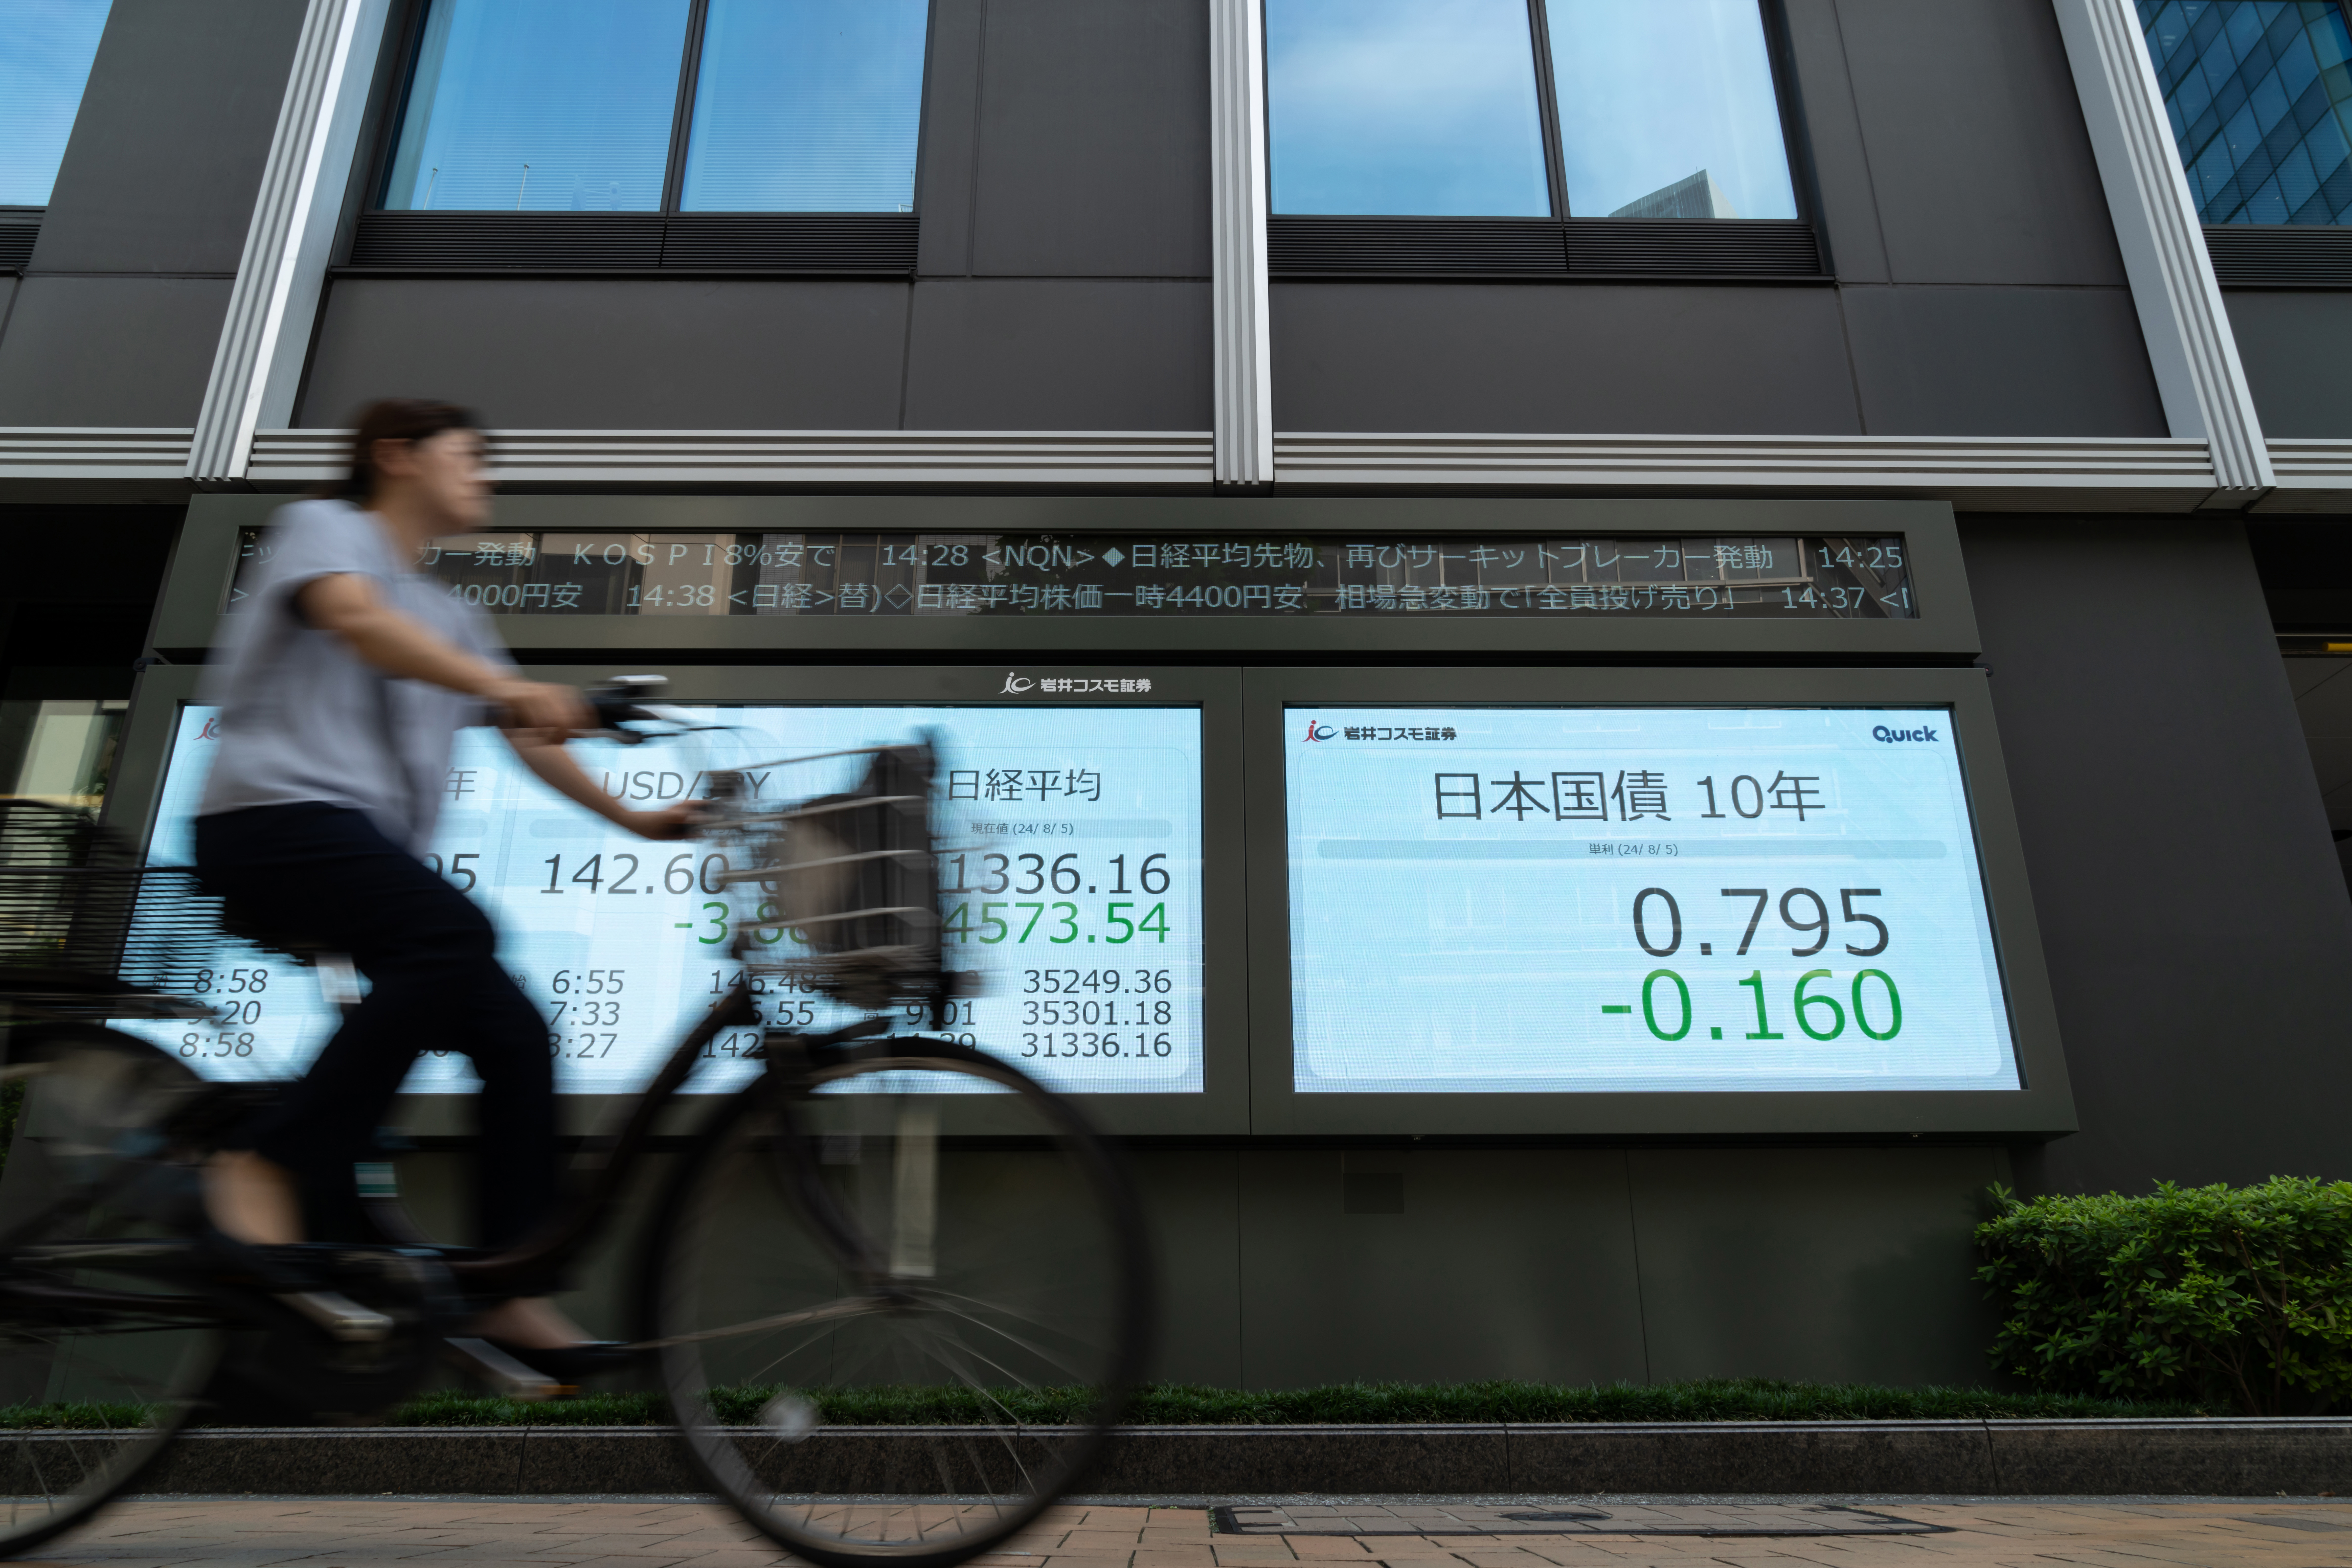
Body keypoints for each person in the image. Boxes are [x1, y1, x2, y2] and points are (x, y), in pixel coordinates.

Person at [192, 399, 692, 1368]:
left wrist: (640, 818)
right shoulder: (326, 530)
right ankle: (268, 1159)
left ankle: (507, 1290)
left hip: (349, 845)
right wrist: (509, 689)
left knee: (513, 1030)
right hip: (269, 823)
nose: (488, 479)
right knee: (452, 936)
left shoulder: (453, 614)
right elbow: (355, 622)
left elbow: (520, 730)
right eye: (472, 458)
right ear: (396, 455)